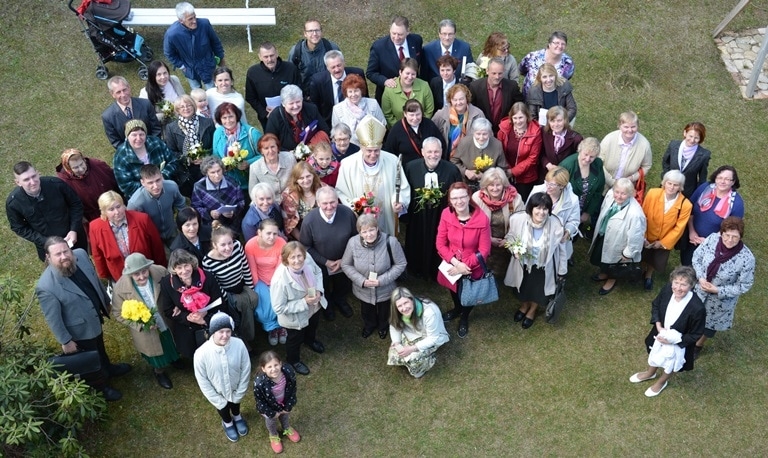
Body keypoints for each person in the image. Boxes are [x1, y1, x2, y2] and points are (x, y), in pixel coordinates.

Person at [36, 237, 131, 401]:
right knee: (91, 359)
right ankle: (102, 387)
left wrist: (105, 301)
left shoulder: (80, 255)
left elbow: (94, 279)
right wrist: (66, 341)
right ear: (48, 257)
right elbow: (53, 319)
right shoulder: (46, 287)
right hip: (79, 331)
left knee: (100, 347)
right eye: (57, 254)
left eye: (65, 251)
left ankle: (108, 367)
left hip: (94, 318)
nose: (64, 256)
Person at [628, 266, 706, 397]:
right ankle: (650, 373)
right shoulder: (667, 290)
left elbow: (696, 334)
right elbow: (656, 305)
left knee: (670, 364)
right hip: (659, 334)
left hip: (678, 344)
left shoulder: (697, 308)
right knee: (654, 353)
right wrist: (658, 326)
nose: (678, 288)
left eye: (683, 284)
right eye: (676, 283)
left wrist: (674, 340)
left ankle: (661, 382)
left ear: (691, 286)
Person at [112, 253, 180, 390]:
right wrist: (141, 325)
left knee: (172, 340)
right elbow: (117, 313)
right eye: (137, 274)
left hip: (165, 318)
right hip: (147, 329)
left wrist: (178, 304)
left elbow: (175, 288)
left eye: (144, 271)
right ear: (130, 274)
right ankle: (159, 372)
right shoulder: (120, 289)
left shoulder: (160, 271)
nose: (142, 276)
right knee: (155, 349)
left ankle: (175, 359)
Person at [336, 115, 411, 237]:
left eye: (376, 150)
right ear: (361, 147)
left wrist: (398, 202)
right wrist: (357, 206)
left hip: (386, 215)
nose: (373, 154)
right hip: (360, 217)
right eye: (369, 151)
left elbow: (402, 188)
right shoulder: (347, 164)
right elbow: (342, 192)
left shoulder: (392, 161)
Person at [691, 217, 754, 359]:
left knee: (709, 325)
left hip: (720, 301)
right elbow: (697, 257)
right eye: (727, 235)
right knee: (692, 315)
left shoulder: (746, 258)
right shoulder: (712, 239)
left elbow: (745, 285)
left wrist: (719, 290)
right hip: (699, 290)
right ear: (721, 233)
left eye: (735, 237)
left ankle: (698, 345)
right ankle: (688, 337)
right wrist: (701, 277)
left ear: (740, 237)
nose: (730, 240)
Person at [503, 192, 568, 329]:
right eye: (538, 208)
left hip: (544, 267)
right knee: (522, 288)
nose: (541, 212)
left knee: (538, 292)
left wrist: (562, 271)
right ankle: (524, 306)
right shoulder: (517, 219)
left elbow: (562, 250)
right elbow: (510, 237)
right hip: (523, 265)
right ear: (531, 208)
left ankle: (532, 310)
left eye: (545, 209)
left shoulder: (556, 224)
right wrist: (514, 250)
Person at [437, 182, 492, 338]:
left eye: (462, 197)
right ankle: (456, 309)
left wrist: (464, 266)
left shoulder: (482, 219)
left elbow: (484, 250)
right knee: (454, 289)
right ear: (450, 200)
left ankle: (464, 316)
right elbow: (440, 244)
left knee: (470, 294)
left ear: (469, 197)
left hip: (472, 266)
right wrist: (455, 262)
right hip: (452, 262)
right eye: (455, 198)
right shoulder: (446, 214)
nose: (459, 201)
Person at [403, 137, 462, 280]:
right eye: (429, 151)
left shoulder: (452, 170)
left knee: (440, 240)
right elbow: (405, 191)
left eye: (436, 151)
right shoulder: (411, 167)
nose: (433, 155)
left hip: (441, 216)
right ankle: (415, 269)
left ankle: (436, 270)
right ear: (422, 152)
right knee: (416, 239)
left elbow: (458, 193)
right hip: (418, 216)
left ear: (442, 152)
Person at [341, 214, 407, 339]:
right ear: (359, 232)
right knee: (366, 309)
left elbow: (401, 264)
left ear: (377, 228)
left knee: (384, 310)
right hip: (363, 288)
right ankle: (369, 325)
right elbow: (346, 264)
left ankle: (383, 326)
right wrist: (362, 281)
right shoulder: (352, 243)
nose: (369, 234)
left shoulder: (391, 242)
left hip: (385, 288)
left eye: (371, 230)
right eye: (364, 231)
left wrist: (381, 281)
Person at [7, 161, 86, 261]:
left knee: (84, 263)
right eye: (26, 179)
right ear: (18, 182)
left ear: (37, 173)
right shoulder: (14, 203)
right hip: (46, 246)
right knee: (59, 273)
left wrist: (74, 229)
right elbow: (18, 227)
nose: (32, 182)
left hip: (73, 238)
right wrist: (44, 241)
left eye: (33, 176)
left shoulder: (56, 185)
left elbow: (76, 204)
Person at [270, 241, 328, 375]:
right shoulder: (279, 280)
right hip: (294, 317)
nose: (297, 261)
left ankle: (310, 341)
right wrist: (304, 302)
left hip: (314, 305)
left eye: (299, 256)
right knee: (294, 339)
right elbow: (278, 308)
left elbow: (318, 272)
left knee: (313, 325)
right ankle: (293, 360)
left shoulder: (307, 259)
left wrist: (319, 289)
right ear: (285, 260)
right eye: (292, 257)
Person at [299, 186, 357, 321]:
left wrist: (344, 260)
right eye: (325, 203)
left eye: (332, 202)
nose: (329, 206)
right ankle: (328, 303)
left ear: (338, 200)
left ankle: (340, 299)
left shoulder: (347, 214)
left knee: (343, 283)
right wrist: (326, 262)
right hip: (320, 263)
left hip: (344, 259)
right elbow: (305, 246)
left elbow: (355, 239)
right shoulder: (309, 220)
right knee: (323, 284)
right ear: (318, 203)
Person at [193, 312, 251, 442]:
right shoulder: (201, 353)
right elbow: (202, 380)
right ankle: (227, 422)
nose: (225, 336)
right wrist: (216, 399)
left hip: (236, 388)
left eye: (228, 331)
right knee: (223, 407)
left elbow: (246, 368)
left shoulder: (239, 344)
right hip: (218, 392)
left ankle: (237, 416)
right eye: (221, 332)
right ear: (213, 332)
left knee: (235, 403)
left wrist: (240, 391)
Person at [159, 248, 226, 359]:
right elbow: (168, 310)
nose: (184, 271)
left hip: (209, 316)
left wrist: (205, 317)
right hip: (186, 323)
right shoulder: (167, 283)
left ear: (192, 264)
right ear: (174, 269)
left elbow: (219, 301)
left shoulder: (207, 277)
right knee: (191, 352)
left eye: (186, 265)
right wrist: (187, 317)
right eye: (179, 268)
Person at [203, 222, 260, 350]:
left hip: (241, 284)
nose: (228, 248)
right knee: (244, 304)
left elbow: (245, 268)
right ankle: (246, 338)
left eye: (230, 243)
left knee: (254, 298)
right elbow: (215, 285)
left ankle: (253, 331)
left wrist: (250, 288)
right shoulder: (208, 261)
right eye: (223, 245)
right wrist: (228, 298)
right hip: (226, 291)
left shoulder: (238, 246)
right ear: (215, 245)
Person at [89, 191, 167, 283]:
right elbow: (98, 255)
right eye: (111, 209)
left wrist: (160, 269)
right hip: (120, 276)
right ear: (104, 212)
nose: (117, 212)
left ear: (123, 205)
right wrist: (105, 276)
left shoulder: (142, 219)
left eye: (118, 207)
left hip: (146, 272)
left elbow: (157, 246)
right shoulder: (95, 227)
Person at [589, 178, 647, 295]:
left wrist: (628, 253)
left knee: (615, 263)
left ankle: (612, 279)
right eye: (617, 192)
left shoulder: (635, 214)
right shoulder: (610, 195)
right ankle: (604, 273)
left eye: (623, 193)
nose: (619, 196)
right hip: (605, 234)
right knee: (602, 255)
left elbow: (636, 237)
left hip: (620, 242)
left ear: (630, 194)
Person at [682, 165, 744, 266]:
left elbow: (732, 229)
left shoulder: (736, 203)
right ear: (715, 178)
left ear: (733, 182)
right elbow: (689, 209)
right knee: (686, 261)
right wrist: (692, 231)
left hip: (714, 244)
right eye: (720, 178)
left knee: (702, 268)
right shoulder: (704, 188)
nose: (722, 181)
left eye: (727, 179)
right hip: (692, 237)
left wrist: (708, 241)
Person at [641, 170, 692, 290]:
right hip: (646, 234)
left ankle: (649, 274)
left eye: (676, 185)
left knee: (656, 259)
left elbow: (679, 228)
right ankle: (640, 270)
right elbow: (643, 215)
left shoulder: (686, 205)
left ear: (680, 187)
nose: (672, 187)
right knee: (642, 254)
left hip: (664, 238)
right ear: (664, 183)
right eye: (669, 183)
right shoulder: (653, 193)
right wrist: (643, 236)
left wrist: (662, 243)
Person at [471, 167, 524, 275]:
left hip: (507, 241)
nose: (495, 188)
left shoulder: (515, 198)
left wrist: (508, 240)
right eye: (491, 185)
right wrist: (489, 239)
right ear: (485, 185)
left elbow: (521, 223)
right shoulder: (477, 198)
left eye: (498, 185)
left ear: (504, 185)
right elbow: (472, 224)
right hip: (484, 241)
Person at [387, 287, 449, 378]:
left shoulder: (430, 312)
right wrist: (396, 342)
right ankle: (413, 358)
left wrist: (412, 348)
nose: (404, 308)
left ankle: (428, 361)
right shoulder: (397, 312)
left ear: (411, 299)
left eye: (406, 303)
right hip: (411, 333)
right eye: (399, 306)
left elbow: (433, 338)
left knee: (413, 359)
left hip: (430, 337)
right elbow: (394, 326)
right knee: (394, 353)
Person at [244, 219, 286, 346]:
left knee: (279, 301)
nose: (272, 237)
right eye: (268, 233)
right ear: (259, 232)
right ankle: (272, 328)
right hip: (259, 280)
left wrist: (274, 285)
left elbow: (280, 267)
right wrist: (259, 286)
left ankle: (281, 326)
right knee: (264, 307)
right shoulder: (250, 245)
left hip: (277, 278)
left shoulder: (281, 243)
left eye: (275, 233)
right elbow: (252, 268)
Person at [163, 2, 225, 90]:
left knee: (212, 89)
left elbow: (215, 42)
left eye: (195, 16)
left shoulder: (205, 24)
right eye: (190, 19)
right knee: (197, 91)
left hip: (208, 65)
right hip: (190, 70)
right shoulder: (171, 34)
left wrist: (220, 58)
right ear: (181, 20)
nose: (194, 21)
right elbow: (168, 53)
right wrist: (182, 66)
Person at [113, 119, 182, 197]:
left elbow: (173, 161)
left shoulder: (156, 143)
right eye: (134, 135)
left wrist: (163, 176)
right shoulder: (121, 157)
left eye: (141, 134)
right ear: (127, 136)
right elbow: (126, 186)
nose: (138, 138)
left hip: (164, 186)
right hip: (141, 196)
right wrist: (151, 186)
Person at [164, 94, 215, 196]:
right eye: (182, 107)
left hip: (207, 165)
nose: (186, 109)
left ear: (194, 106)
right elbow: (171, 151)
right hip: (186, 170)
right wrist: (187, 159)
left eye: (188, 105)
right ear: (177, 110)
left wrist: (205, 157)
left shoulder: (208, 122)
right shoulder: (171, 128)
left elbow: (215, 145)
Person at [366, 15, 424, 103]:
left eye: (400, 34)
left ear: (408, 32)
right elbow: (370, 73)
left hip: (414, 93)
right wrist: (385, 81)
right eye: (393, 33)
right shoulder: (379, 47)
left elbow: (420, 63)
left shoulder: (416, 40)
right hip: (390, 96)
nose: (396, 37)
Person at [253, 351, 301, 454]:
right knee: (271, 421)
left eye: (276, 365)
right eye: (269, 367)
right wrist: (272, 413)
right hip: (269, 408)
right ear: (263, 368)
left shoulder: (288, 373)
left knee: (285, 416)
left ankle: (287, 428)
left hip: (283, 403)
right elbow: (260, 401)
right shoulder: (259, 383)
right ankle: (273, 435)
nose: (274, 369)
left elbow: (292, 390)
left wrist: (288, 406)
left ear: (281, 363)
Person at [245, 42, 301, 130]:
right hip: (267, 118)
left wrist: (290, 110)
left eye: (272, 55)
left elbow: (299, 92)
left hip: (290, 115)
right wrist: (264, 113)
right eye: (266, 57)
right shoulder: (253, 73)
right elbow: (250, 97)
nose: (269, 59)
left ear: (277, 54)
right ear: (260, 57)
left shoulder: (291, 69)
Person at [127, 164, 187, 246]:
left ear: (161, 177)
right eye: (150, 183)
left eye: (158, 180)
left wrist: (184, 221)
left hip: (172, 231)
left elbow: (181, 202)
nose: (155, 186)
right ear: (142, 182)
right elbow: (131, 226)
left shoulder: (172, 187)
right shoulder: (135, 203)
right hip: (152, 239)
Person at [56, 148, 120, 224]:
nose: (81, 169)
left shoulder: (98, 166)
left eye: (81, 164)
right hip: (92, 219)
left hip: (113, 208)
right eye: (75, 167)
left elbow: (115, 182)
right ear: (68, 168)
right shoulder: (63, 182)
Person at [528, 167, 580, 258]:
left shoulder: (573, 200)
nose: (548, 186)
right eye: (547, 182)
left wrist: (567, 232)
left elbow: (574, 221)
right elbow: (527, 210)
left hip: (555, 240)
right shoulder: (537, 190)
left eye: (552, 184)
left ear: (562, 186)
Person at [559, 137, 605, 237]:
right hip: (565, 209)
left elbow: (598, 190)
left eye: (592, 157)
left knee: (573, 236)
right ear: (580, 150)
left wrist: (588, 212)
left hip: (583, 208)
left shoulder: (598, 164)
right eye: (585, 154)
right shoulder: (567, 165)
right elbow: (557, 188)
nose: (588, 159)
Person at [496, 102, 542, 201]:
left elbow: (532, 158)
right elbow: (499, 151)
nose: (518, 121)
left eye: (521, 117)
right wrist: (507, 169)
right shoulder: (504, 129)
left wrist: (513, 172)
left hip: (526, 178)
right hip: (506, 174)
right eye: (515, 118)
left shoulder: (535, 132)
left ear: (527, 116)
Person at [212, 102, 262, 192]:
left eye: (231, 116)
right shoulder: (218, 133)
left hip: (251, 183)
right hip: (228, 183)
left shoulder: (252, 133)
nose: (228, 121)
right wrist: (223, 165)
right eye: (224, 118)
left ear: (237, 116)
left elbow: (264, 155)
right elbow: (215, 155)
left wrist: (248, 162)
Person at [309, 50, 368, 125]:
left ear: (344, 63)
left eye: (339, 65)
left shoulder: (357, 74)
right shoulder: (318, 81)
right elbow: (315, 108)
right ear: (327, 68)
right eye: (333, 67)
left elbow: (365, 97)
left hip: (358, 120)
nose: (337, 70)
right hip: (331, 124)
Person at [265, 84, 330, 152]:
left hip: (312, 150)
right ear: (283, 104)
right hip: (287, 155)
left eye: (298, 102)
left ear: (302, 99)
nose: (295, 106)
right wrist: (290, 153)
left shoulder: (311, 109)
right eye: (291, 103)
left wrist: (310, 147)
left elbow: (325, 129)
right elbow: (270, 141)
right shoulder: (275, 116)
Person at [102, 76, 162, 148]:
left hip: (152, 147)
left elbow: (156, 128)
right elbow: (116, 142)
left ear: (129, 88)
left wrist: (151, 146)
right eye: (118, 92)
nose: (123, 95)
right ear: (112, 94)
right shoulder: (108, 117)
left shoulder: (146, 104)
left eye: (124, 90)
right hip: (131, 155)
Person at [600, 111, 652, 192]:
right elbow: (598, 162)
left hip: (627, 188)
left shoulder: (644, 145)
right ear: (619, 126)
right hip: (603, 184)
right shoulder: (609, 139)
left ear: (638, 126)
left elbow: (646, 166)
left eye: (633, 127)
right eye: (626, 127)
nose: (630, 130)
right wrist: (612, 182)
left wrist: (631, 178)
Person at [469, 57, 523, 134]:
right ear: (487, 71)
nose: (497, 77)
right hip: (482, 131)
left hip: (504, 131)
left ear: (504, 71)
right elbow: (471, 109)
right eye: (494, 73)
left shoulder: (512, 87)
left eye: (500, 73)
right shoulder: (475, 87)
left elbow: (520, 106)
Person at [192, 156, 246, 232]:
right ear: (206, 173)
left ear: (222, 170)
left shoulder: (232, 182)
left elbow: (241, 202)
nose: (216, 175)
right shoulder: (199, 186)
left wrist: (234, 212)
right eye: (212, 172)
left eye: (218, 171)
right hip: (211, 225)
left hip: (232, 224)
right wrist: (209, 213)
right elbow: (196, 207)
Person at [383, 99, 446, 164]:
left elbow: (441, 145)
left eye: (418, 114)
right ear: (405, 114)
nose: (415, 118)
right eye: (411, 115)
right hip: (407, 170)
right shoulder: (396, 129)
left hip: (430, 167)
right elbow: (389, 153)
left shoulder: (429, 124)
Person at [450, 118, 507, 189]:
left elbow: (503, 168)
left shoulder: (497, 145)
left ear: (490, 133)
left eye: (485, 134)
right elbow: (453, 161)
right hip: (467, 184)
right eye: (478, 134)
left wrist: (485, 176)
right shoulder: (464, 143)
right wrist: (465, 172)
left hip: (490, 185)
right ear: (473, 133)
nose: (481, 138)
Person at [431, 83, 485, 158]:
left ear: (467, 98)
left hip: (470, 158)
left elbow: (486, 136)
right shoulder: (440, 115)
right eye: (455, 100)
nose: (458, 103)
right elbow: (431, 134)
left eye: (461, 99)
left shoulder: (478, 114)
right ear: (450, 101)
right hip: (446, 158)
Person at [661, 122, 711, 199]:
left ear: (700, 139)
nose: (692, 140)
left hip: (687, 192)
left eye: (696, 138)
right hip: (669, 187)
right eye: (690, 136)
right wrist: (666, 177)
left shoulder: (704, 155)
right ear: (685, 133)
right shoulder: (673, 145)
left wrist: (699, 193)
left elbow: (702, 177)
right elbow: (666, 162)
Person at [288, 19, 340, 93]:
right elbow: (291, 76)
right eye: (310, 31)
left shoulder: (332, 48)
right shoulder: (296, 52)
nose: (314, 34)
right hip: (306, 96)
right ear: (305, 34)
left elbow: (340, 71)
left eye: (317, 30)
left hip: (328, 93)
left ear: (321, 32)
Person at [331, 74, 385, 144]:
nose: (353, 95)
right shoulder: (337, 109)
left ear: (361, 91)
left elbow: (382, 124)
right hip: (349, 146)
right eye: (350, 91)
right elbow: (336, 132)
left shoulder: (373, 104)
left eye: (356, 91)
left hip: (372, 145)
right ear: (346, 93)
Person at [382, 58, 434, 128]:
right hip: (398, 130)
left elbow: (429, 110)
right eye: (407, 73)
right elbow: (388, 114)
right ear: (400, 72)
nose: (410, 77)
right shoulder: (389, 90)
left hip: (421, 127)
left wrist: (419, 124)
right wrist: (401, 128)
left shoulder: (424, 86)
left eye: (413, 74)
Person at [519, 31, 575, 97]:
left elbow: (564, 80)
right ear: (549, 44)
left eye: (563, 44)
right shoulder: (533, 57)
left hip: (552, 101)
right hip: (528, 98)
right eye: (556, 43)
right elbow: (522, 70)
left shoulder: (568, 64)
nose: (560, 46)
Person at [248, 134, 297, 201]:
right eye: (266, 148)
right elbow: (253, 193)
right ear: (261, 151)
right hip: (269, 204)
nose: (270, 151)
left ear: (277, 147)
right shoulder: (254, 168)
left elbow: (297, 179)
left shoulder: (290, 157)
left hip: (292, 199)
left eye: (273, 147)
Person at [281, 161, 323, 240]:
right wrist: (304, 241)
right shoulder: (289, 196)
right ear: (296, 180)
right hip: (302, 234)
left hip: (323, 229)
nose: (306, 180)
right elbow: (290, 225)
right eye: (301, 178)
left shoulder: (322, 188)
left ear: (313, 175)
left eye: (308, 176)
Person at [539, 106, 583, 180]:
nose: (556, 124)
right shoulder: (544, 132)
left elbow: (578, 160)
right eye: (552, 121)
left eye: (559, 120)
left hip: (563, 177)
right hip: (545, 174)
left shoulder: (576, 138)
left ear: (565, 120)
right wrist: (547, 164)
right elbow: (539, 152)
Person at [139, 60, 186, 125]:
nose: (163, 77)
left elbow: (185, 97)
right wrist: (164, 115)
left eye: (165, 73)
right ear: (152, 76)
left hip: (185, 116)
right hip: (168, 125)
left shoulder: (174, 80)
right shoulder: (145, 93)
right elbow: (148, 117)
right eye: (159, 74)